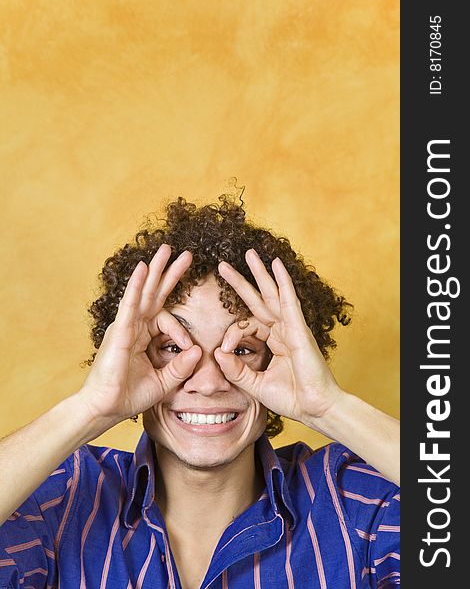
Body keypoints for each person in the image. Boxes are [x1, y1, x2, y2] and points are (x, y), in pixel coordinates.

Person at [0, 195, 400, 588]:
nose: (208, 384)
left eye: (242, 350)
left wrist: (327, 406)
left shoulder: (354, 503)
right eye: (173, 348)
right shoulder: (62, 499)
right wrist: (89, 408)